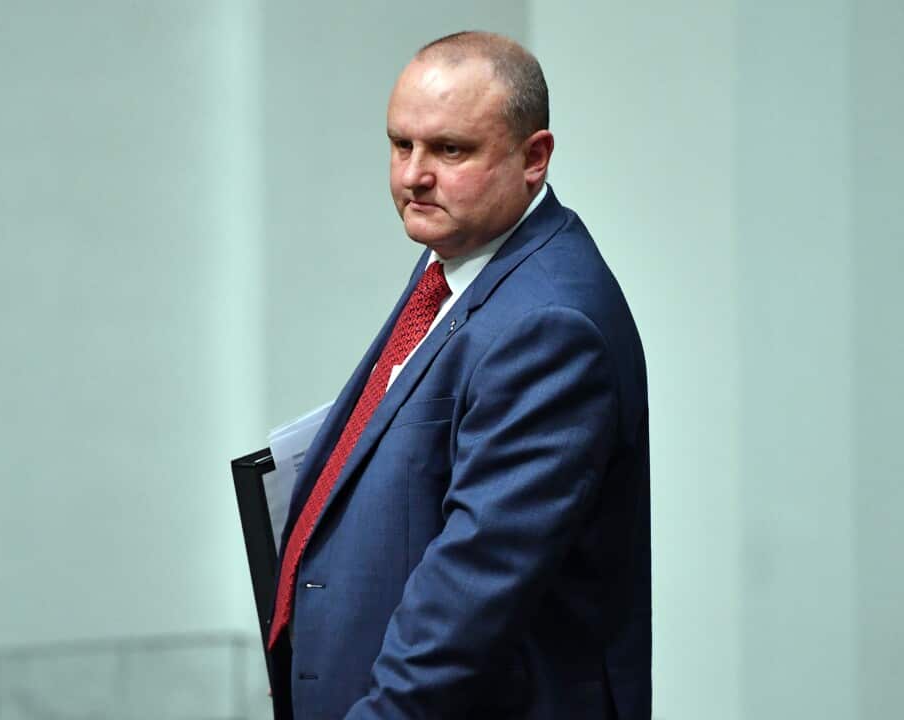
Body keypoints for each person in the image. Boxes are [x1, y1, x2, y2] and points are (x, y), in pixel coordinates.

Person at [265, 31, 650, 720]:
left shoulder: (550, 326)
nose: (413, 174)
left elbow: (471, 594)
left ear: (534, 158)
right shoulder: (457, 258)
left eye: (450, 150)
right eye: (400, 144)